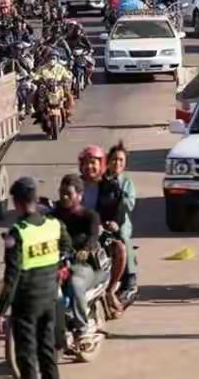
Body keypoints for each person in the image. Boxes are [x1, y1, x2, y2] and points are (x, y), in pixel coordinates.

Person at [0, 177, 71, 379]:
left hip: (26, 305)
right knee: (47, 353)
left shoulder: (17, 234)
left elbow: (11, 280)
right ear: (35, 199)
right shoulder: (54, 225)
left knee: (26, 358)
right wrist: (58, 266)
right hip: (49, 300)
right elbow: (67, 248)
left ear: (16, 203)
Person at [52, 174, 106, 339]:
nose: (64, 197)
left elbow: (93, 236)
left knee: (75, 284)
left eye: (68, 193)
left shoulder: (90, 216)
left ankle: (82, 326)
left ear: (80, 195)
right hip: (59, 263)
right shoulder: (53, 216)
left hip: (83, 266)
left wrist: (86, 250)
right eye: (62, 193)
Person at [97, 143, 137, 310]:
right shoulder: (100, 180)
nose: (117, 163)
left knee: (124, 242)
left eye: (121, 160)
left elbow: (129, 205)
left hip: (120, 224)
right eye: (114, 160)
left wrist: (120, 193)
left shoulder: (126, 183)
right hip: (100, 222)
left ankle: (130, 282)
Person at [78, 145, 106, 213]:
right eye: (86, 162)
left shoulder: (108, 186)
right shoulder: (76, 183)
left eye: (93, 162)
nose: (89, 166)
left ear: (100, 165)